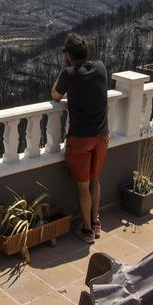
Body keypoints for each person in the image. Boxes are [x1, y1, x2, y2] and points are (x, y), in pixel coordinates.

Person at [51, 33, 109, 244]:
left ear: (68, 55)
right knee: (95, 179)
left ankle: (86, 230)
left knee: (82, 186)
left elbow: (55, 95)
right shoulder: (101, 67)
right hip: (102, 135)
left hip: (80, 138)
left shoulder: (68, 74)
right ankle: (96, 222)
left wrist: (65, 69)